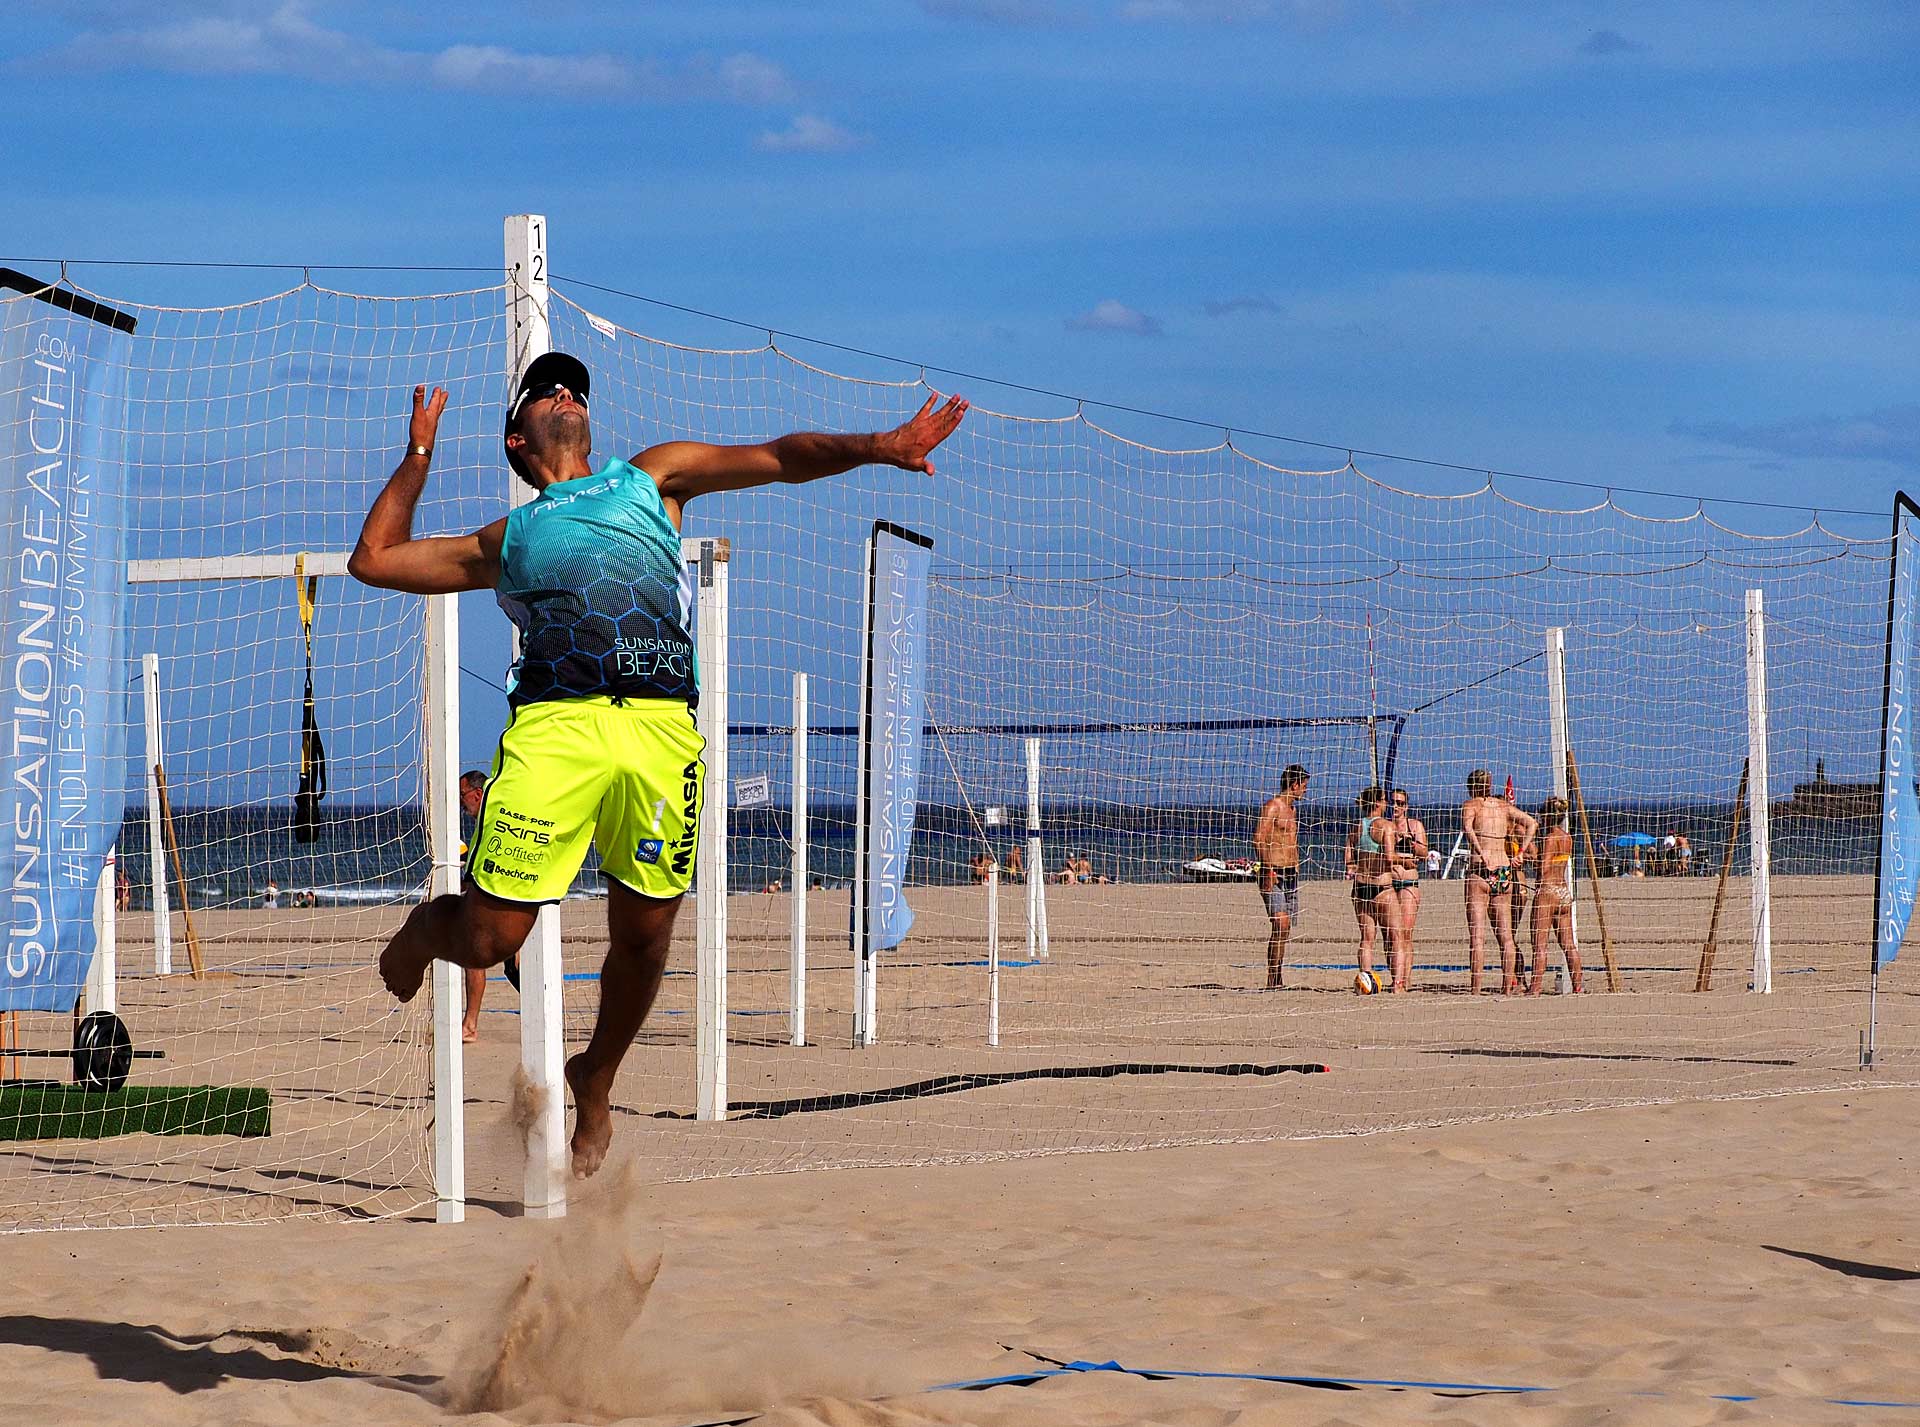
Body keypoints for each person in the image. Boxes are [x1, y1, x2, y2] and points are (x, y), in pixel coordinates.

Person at [352, 353, 967, 1177]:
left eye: (575, 389)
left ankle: (593, 1078)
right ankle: (431, 928)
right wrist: (419, 452)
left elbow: (781, 459)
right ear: (517, 435)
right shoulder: (509, 539)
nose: (566, 396)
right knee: (495, 934)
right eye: (546, 392)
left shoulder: (654, 478)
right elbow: (374, 558)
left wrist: (879, 444)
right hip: (555, 732)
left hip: (659, 729)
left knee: (644, 937)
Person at [1461, 768, 1537, 994]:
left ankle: (1476, 989)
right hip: (1504, 870)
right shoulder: (1503, 807)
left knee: (1478, 937)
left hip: (1481, 869)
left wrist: (1479, 850)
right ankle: (1506, 988)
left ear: (1471, 787)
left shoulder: (1471, 805)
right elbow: (1532, 823)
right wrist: (1520, 852)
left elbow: (1467, 828)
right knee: (1506, 936)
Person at [455, 769, 518, 1043]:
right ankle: (469, 1024)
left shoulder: (493, 822)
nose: (461, 803)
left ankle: (469, 1025)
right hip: (504, 899)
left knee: (477, 959)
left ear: (477, 794)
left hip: (503, 902)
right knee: (509, 967)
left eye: (462, 796)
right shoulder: (492, 817)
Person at [1346, 786, 1409, 991]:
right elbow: (1390, 858)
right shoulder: (1386, 826)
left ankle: (1366, 982)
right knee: (1396, 937)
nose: (1387, 804)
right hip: (1382, 887)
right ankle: (1398, 984)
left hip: (1361, 887)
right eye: (1385, 801)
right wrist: (1407, 861)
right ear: (1378, 803)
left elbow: (1349, 861)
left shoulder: (1356, 827)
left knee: (1367, 939)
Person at [1252, 764, 1309, 989]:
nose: (1305, 790)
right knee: (1280, 923)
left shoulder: (1293, 810)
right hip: (1272, 872)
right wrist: (1267, 870)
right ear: (1294, 784)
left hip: (1291, 874)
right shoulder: (1273, 806)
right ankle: (1272, 977)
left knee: (1284, 930)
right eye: (1304, 786)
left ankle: (1277, 976)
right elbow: (1259, 838)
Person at [1529, 796, 1583, 994]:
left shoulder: (1549, 838)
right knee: (1569, 944)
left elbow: (1543, 869)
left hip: (1548, 891)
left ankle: (1534, 988)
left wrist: (1531, 853)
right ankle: (1578, 986)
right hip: (1563, 890)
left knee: (1540, 944)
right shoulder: (1566, 837)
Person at [1388, 788, 1429, 969]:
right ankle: (1395, 975)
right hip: (1387, 882)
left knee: (1405, 933)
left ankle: (1404, 980)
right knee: (1390, 934)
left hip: (1408, 883)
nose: (1396, 806)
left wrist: (1410, 842)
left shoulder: (1414, 825)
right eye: (1393, 802)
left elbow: (1424, 853)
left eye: (1400, 803)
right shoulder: (1383, 825)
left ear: (1406, 806)